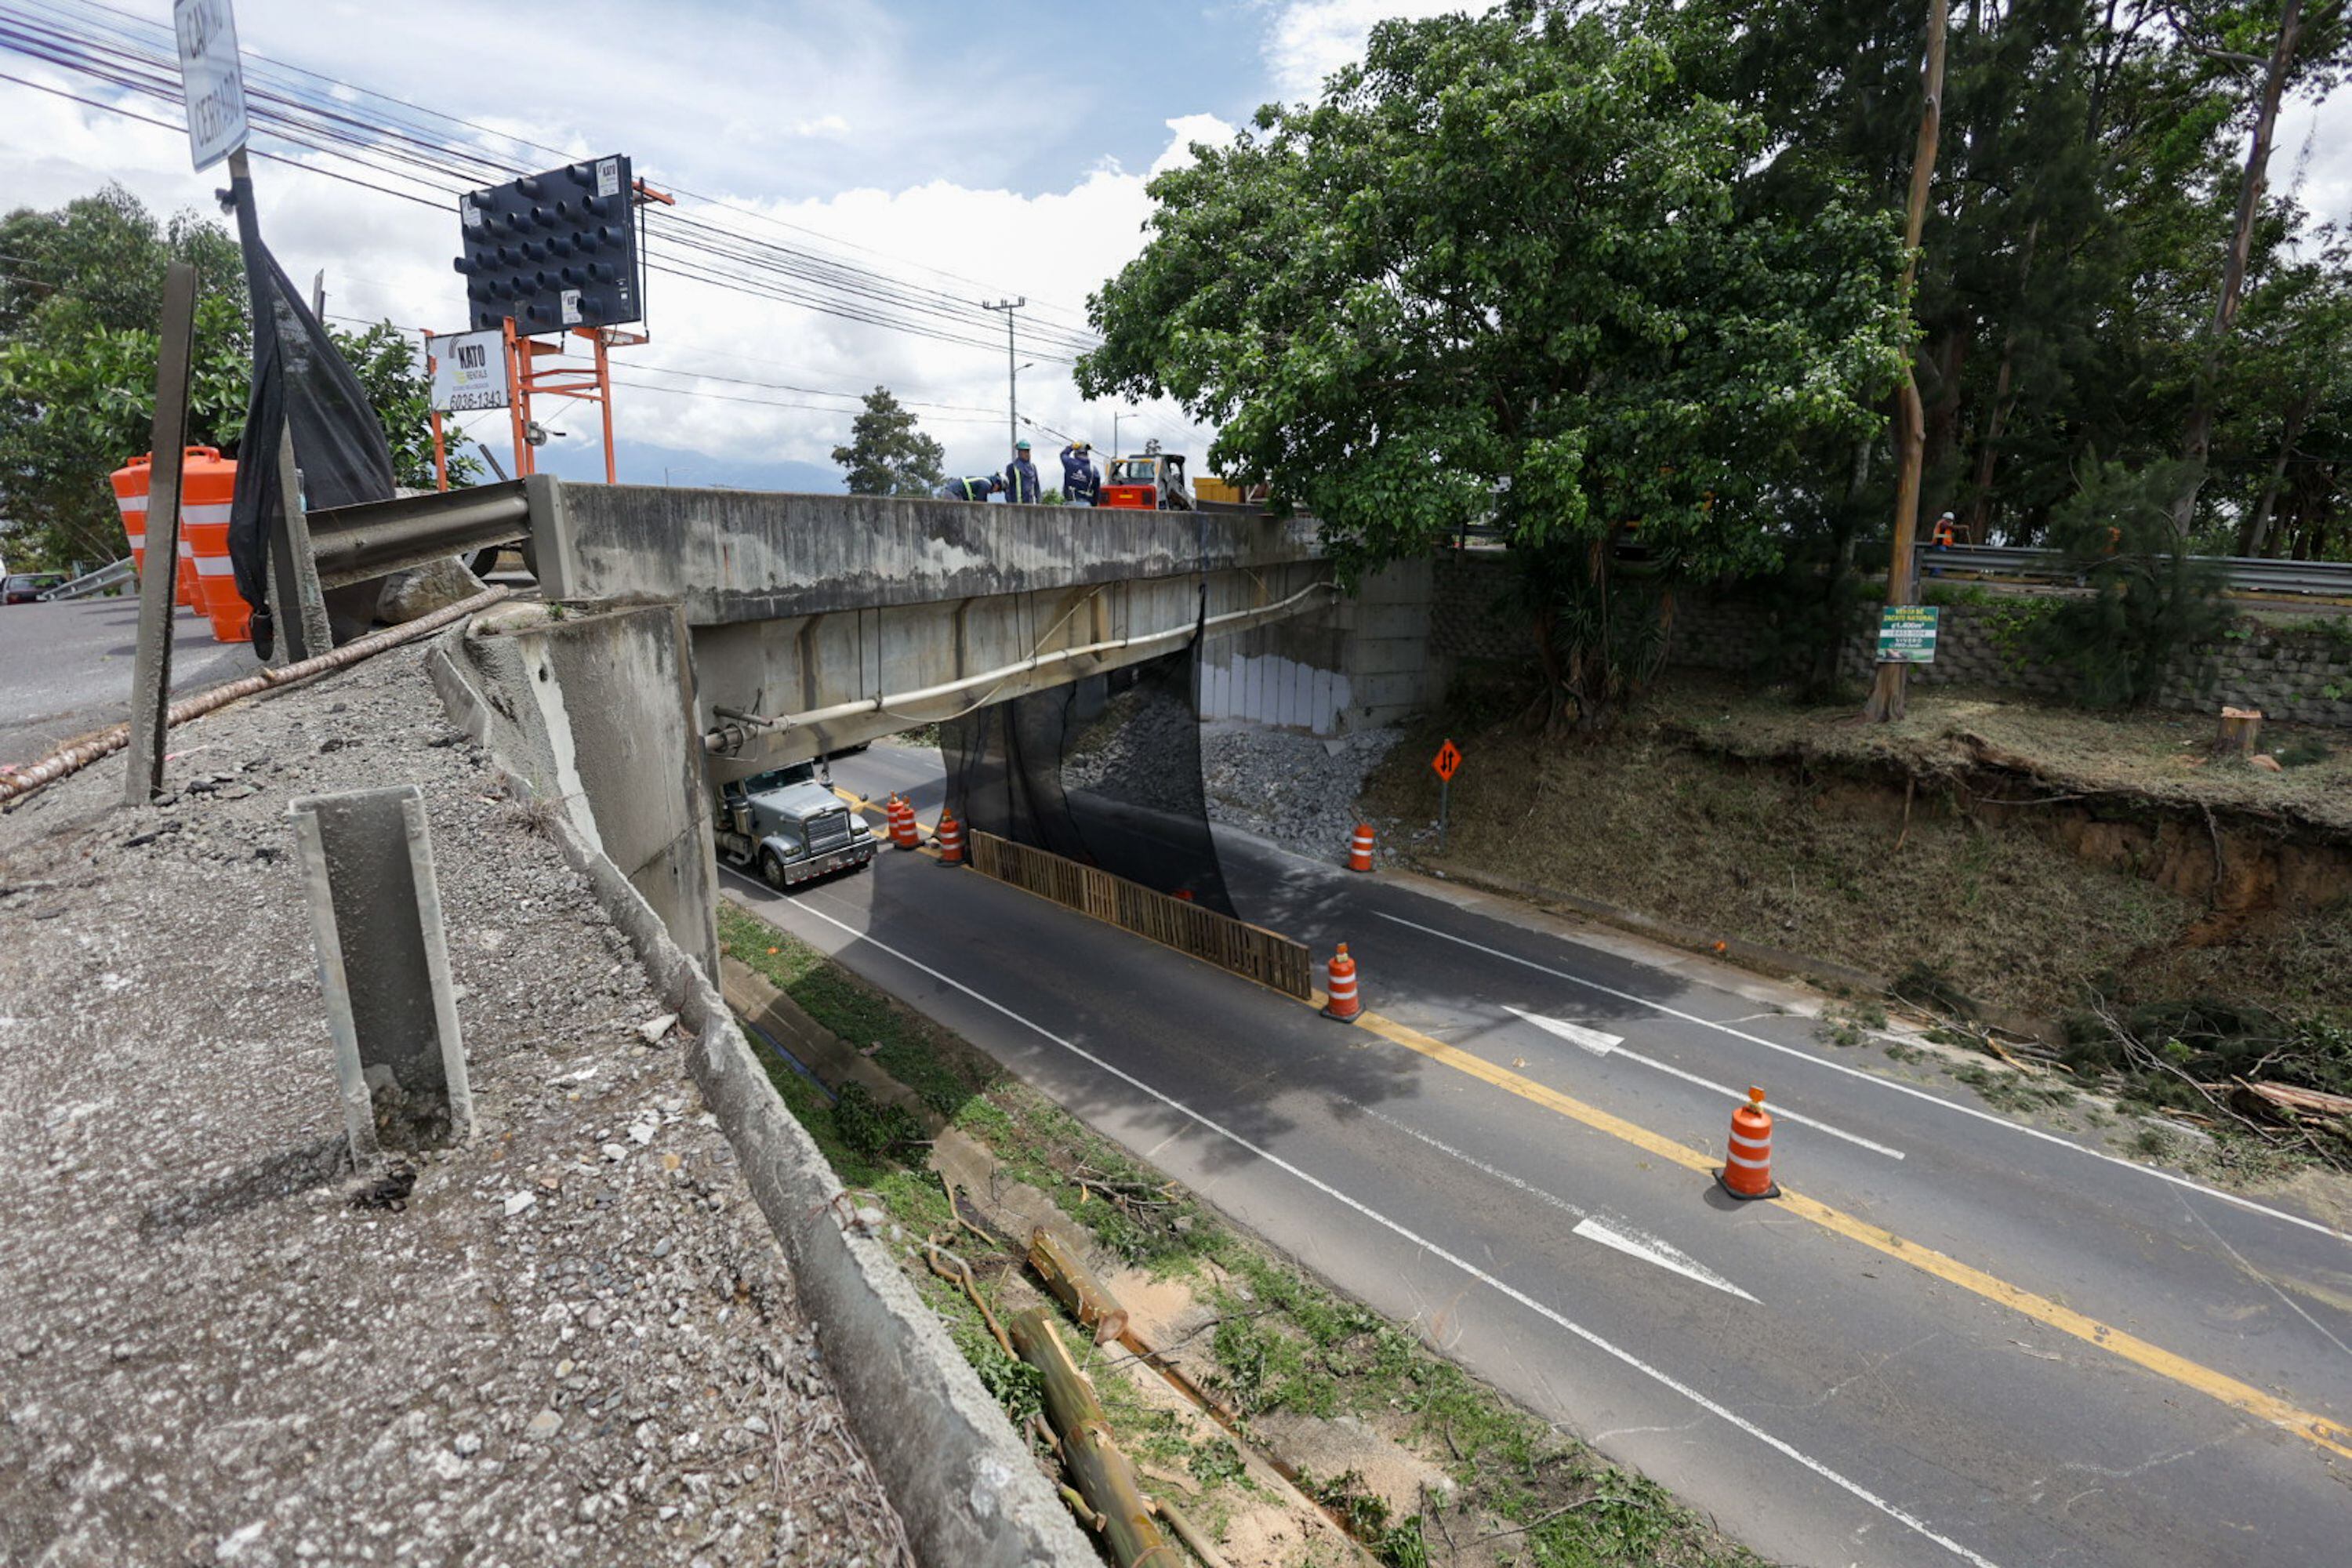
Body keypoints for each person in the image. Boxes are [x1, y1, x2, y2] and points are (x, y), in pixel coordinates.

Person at [1060, 440, 1099, 506]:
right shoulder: (1094, 470)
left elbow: (1063, 454)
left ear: (1076, 453)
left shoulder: (1070, 463)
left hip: (1070, 504)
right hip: (1086, 505)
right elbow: (1097, 493)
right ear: (1087, 454)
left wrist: (1071, 447)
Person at [1004, 438, 1042, 505]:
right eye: (1024, 451)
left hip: (1030, 505)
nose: (1027, 454)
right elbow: (1007, 490)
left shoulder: (1033, 468)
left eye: (1028, 451)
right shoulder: (1012, 467)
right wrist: (1010, 506)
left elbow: (1037, 487)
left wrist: (1039, 503)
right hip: (1017, 506)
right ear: (1019, 453)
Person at [940, 474, 1004, 502]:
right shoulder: (986, 485)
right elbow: (979, 503)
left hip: (952, 492)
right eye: (998, 490)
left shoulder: (984, 483)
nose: (995, 493)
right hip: (954, 493)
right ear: (997, 485)